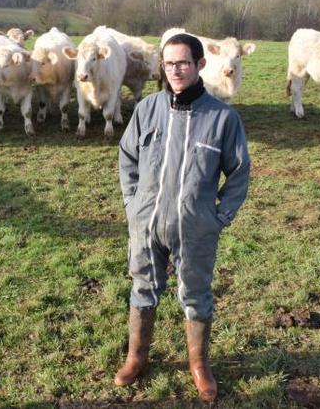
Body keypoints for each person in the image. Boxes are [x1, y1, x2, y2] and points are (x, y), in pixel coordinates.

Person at [115, 33, 250, 402]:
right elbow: (127, 159)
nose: (175, 70)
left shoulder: (223, 118)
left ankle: (199, 364)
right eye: (169, 63)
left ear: (200, 65)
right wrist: (133, 205)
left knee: (196, 294)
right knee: (142, 287)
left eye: (184, 63)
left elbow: (238, 173)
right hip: (147, 224)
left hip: (195, 228)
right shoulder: (148, 109)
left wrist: (217, 217)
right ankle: (136, 357)